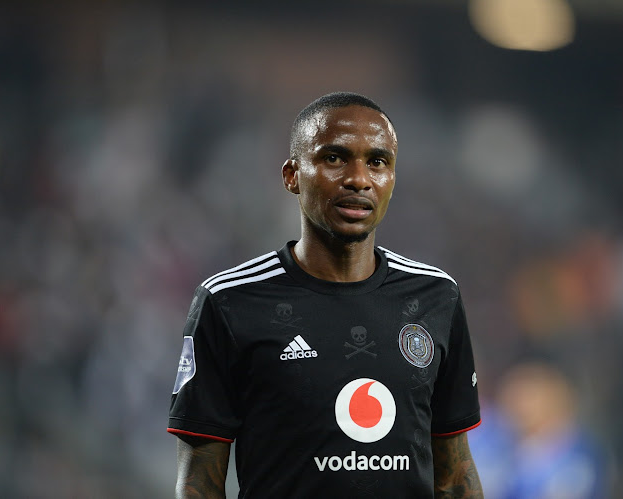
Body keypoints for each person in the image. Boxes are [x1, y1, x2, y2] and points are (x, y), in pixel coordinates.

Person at [167, 91, 484, 498]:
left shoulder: (437, 296)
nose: (358, 179)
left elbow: (456, 474)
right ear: (292, 175)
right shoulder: (229, 302)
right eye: (334, 158)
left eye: (377, 162)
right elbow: (199, 483)